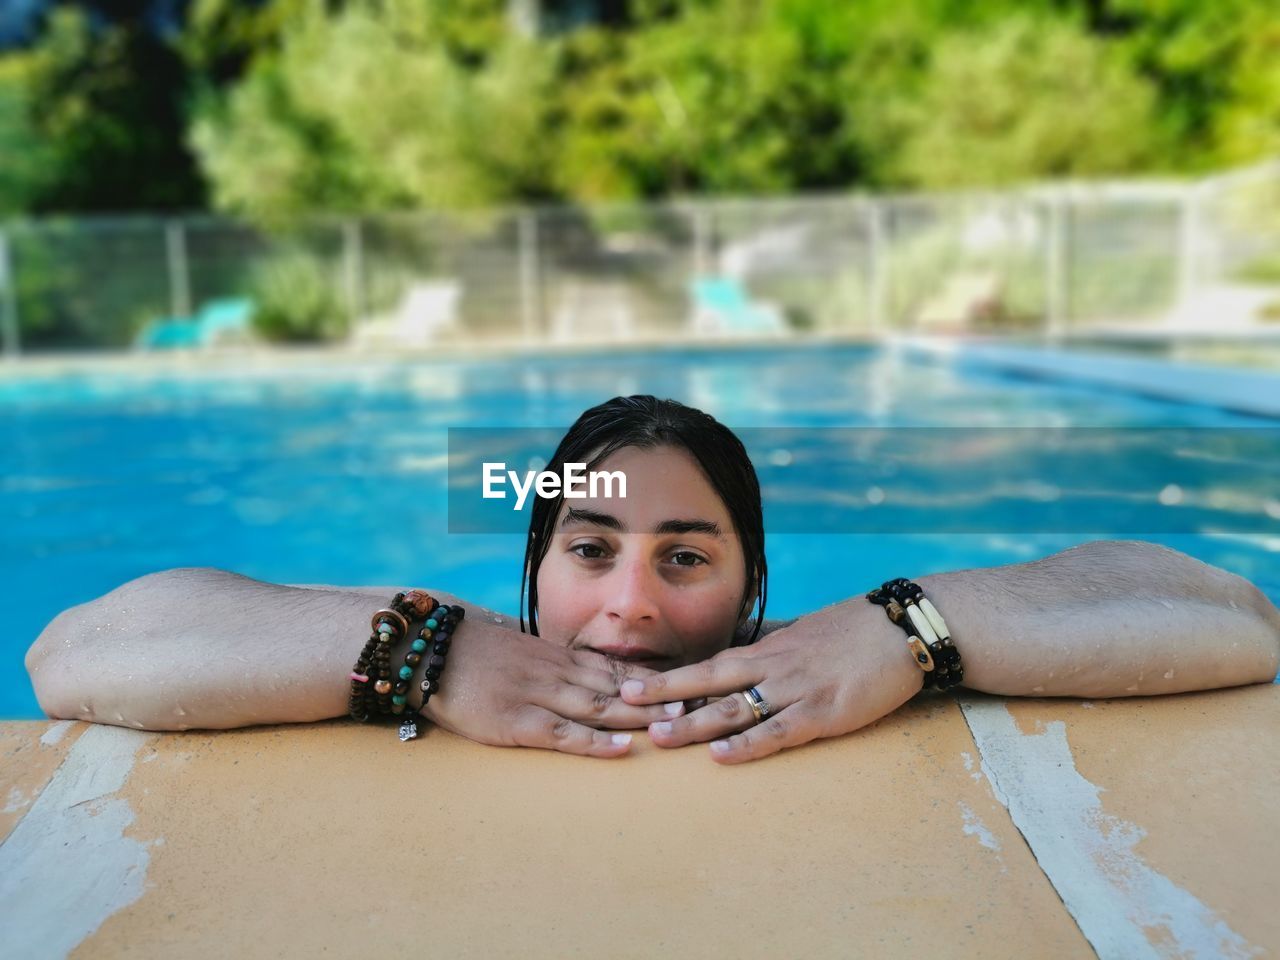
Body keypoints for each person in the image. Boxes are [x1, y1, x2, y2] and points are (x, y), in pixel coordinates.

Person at [24, 396, 1280, 764]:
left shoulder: (821, 662)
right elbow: (73, 651)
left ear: (751, 591)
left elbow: (1231, 615)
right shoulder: (433, 649)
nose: (626, 606)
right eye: (587, 550)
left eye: (683, 557)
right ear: (528, 578)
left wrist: (909, 628)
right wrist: (424, 654)